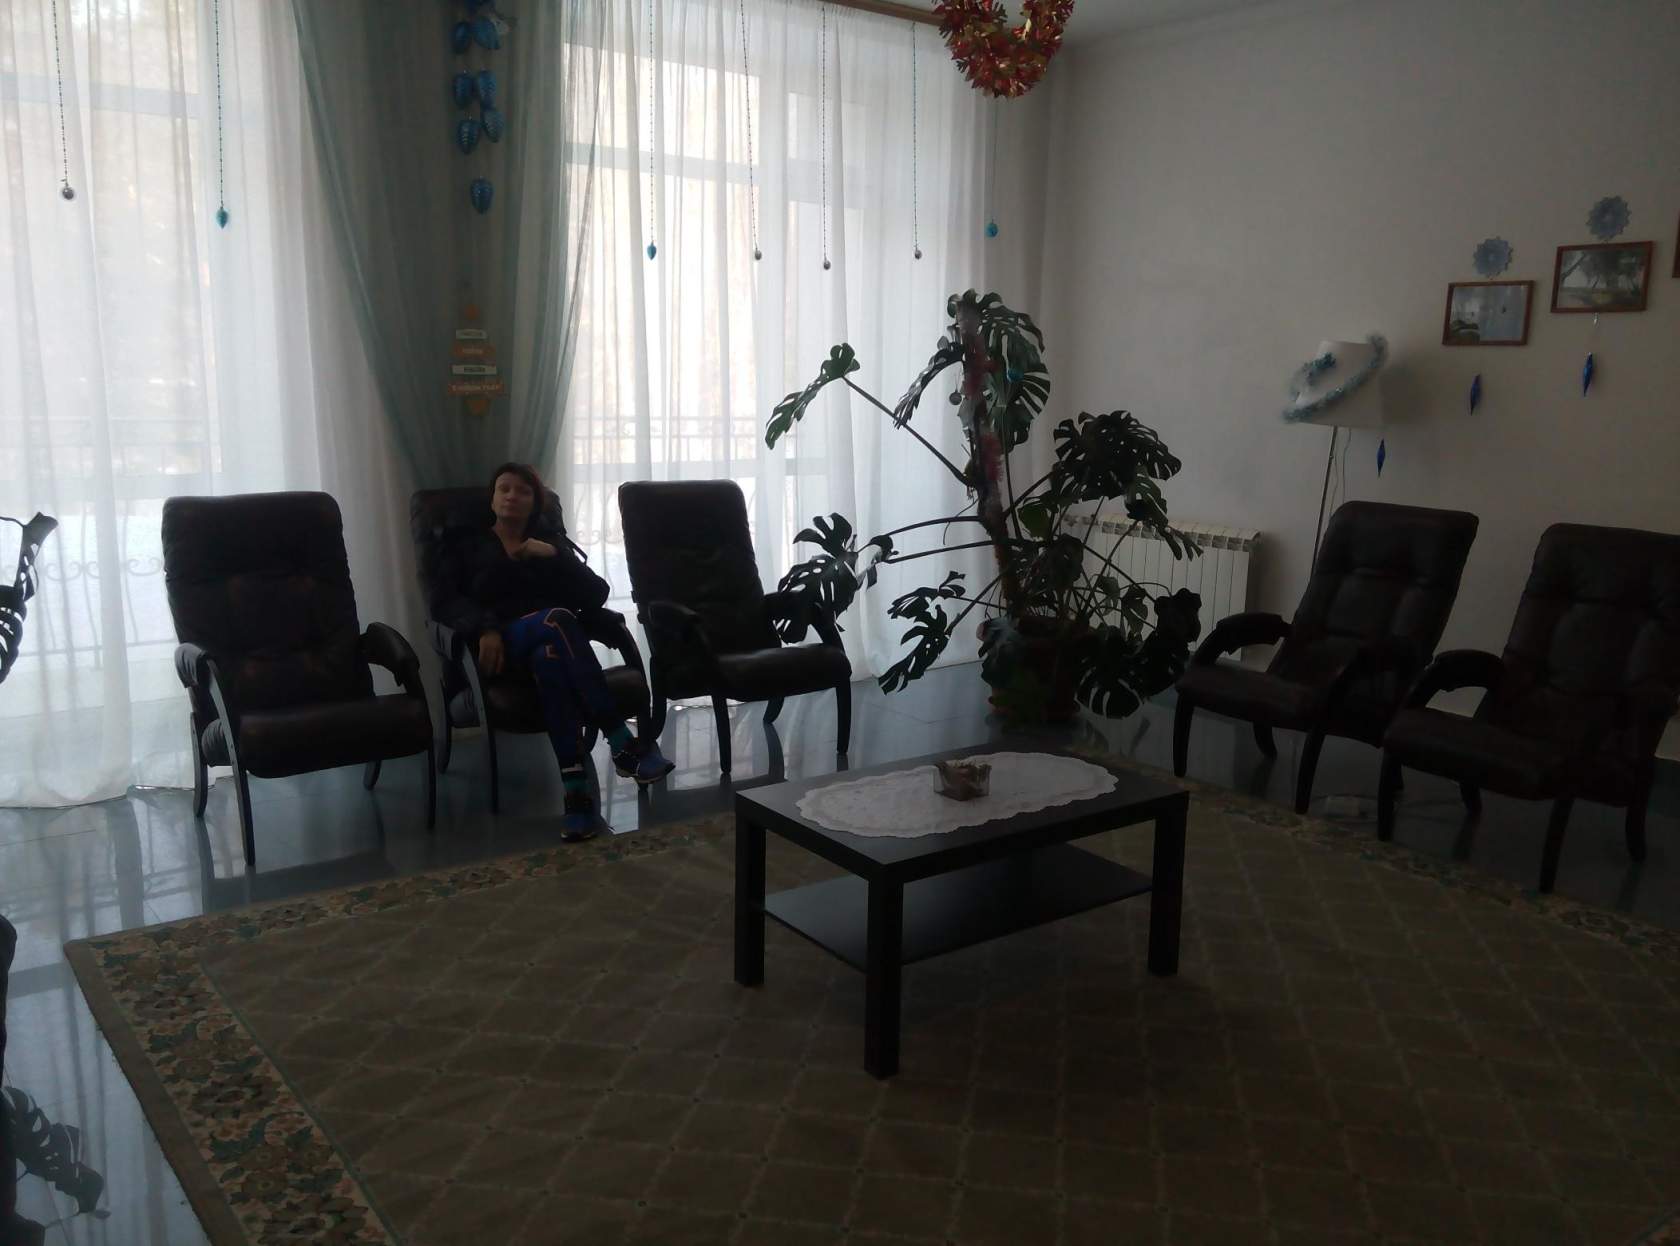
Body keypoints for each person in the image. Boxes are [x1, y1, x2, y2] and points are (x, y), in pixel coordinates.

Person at [431, 463, 673, 840]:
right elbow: (444, 602)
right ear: (492, 499)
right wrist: (486, 628)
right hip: (498, 652)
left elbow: (596, 593)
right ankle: (621, 742)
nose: (512, 496)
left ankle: (578, 800)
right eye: (504, 489)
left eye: (523, 491)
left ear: (535, 503)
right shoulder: (466, 545)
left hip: (548, 649)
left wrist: (554, 556)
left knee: (550, 660)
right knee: (557, 619)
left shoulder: (548, 544)